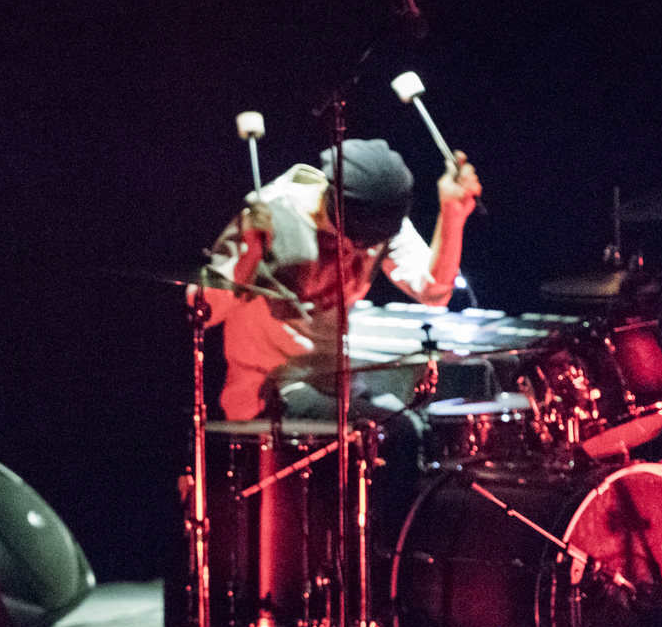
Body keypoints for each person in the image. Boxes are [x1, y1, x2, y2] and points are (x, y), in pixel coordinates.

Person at [199, 137, 481, 421]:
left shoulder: (378, 216)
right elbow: (201, 312)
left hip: (337, 383)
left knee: (418, 422)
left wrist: (452, 216)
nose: (362, 251)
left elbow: (433, 292)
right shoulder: (272, 217)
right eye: (355, 241)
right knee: (399, 429)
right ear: (334, 206)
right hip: (268, 391)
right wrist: (248, 258)